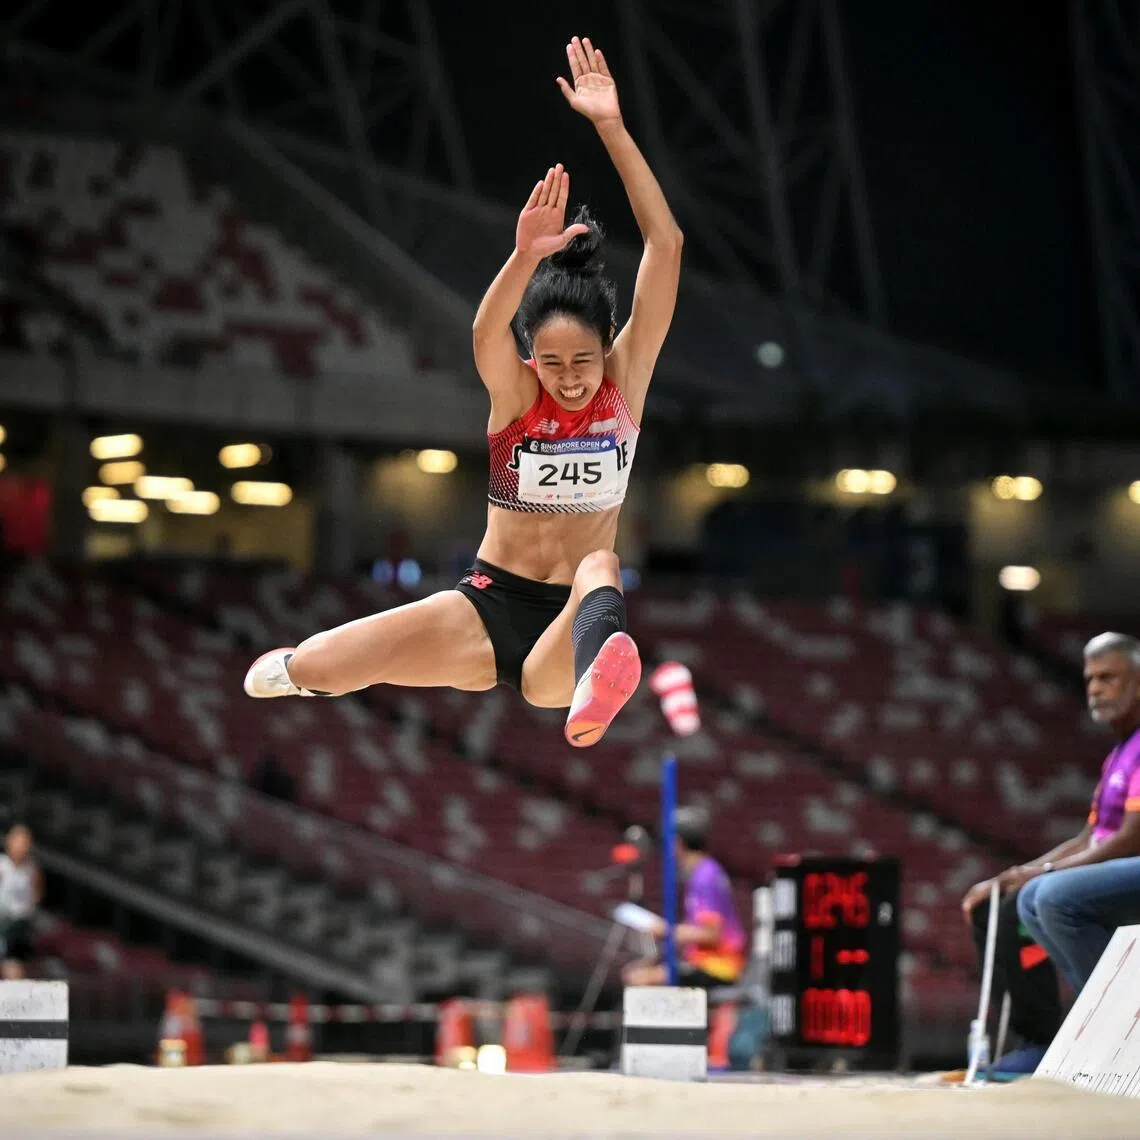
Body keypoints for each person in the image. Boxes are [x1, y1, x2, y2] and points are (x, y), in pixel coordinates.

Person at [243, 35, 683, 750]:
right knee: (319, 664)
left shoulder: (623, 385)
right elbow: (484, 333)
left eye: (583, 359)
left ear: (608, 347)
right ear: (532, 358)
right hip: (485, 607)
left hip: (568, 628)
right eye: (552, 361)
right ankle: (303, 669)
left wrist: (611, 128)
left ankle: (595, 682)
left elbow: (666, 247)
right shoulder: (519, 397)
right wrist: (523, 256)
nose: (571, 376)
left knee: (601, 564)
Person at [961, 631, 1140, 1078]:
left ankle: (1122, 1028)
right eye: (1090, 679)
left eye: (1108, 678)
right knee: (1018, 898)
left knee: (1052, 897)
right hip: (1120, 869)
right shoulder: (1120, 753)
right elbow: (1091, 836)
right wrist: (1022, 871)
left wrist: (1044, 873)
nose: (1095, 688)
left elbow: (1132, 838)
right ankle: (1056, 1036)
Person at [623, 806, 747, 988]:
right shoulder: (703, 872)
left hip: (717, 967)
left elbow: (712, 934)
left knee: (639, 979)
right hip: (706, 962)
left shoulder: (705, 876)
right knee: (638, 972)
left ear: (678, 842)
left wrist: (665, 930)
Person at [0, 824, 43, 980]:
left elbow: (37, 893)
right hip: (2, 920)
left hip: (20, 922)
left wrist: (28, 909)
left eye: (26, 842)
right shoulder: (2, 865)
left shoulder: (32, 869)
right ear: (9, 842)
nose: (22, 846)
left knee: (14, 966)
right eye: (18, 841)